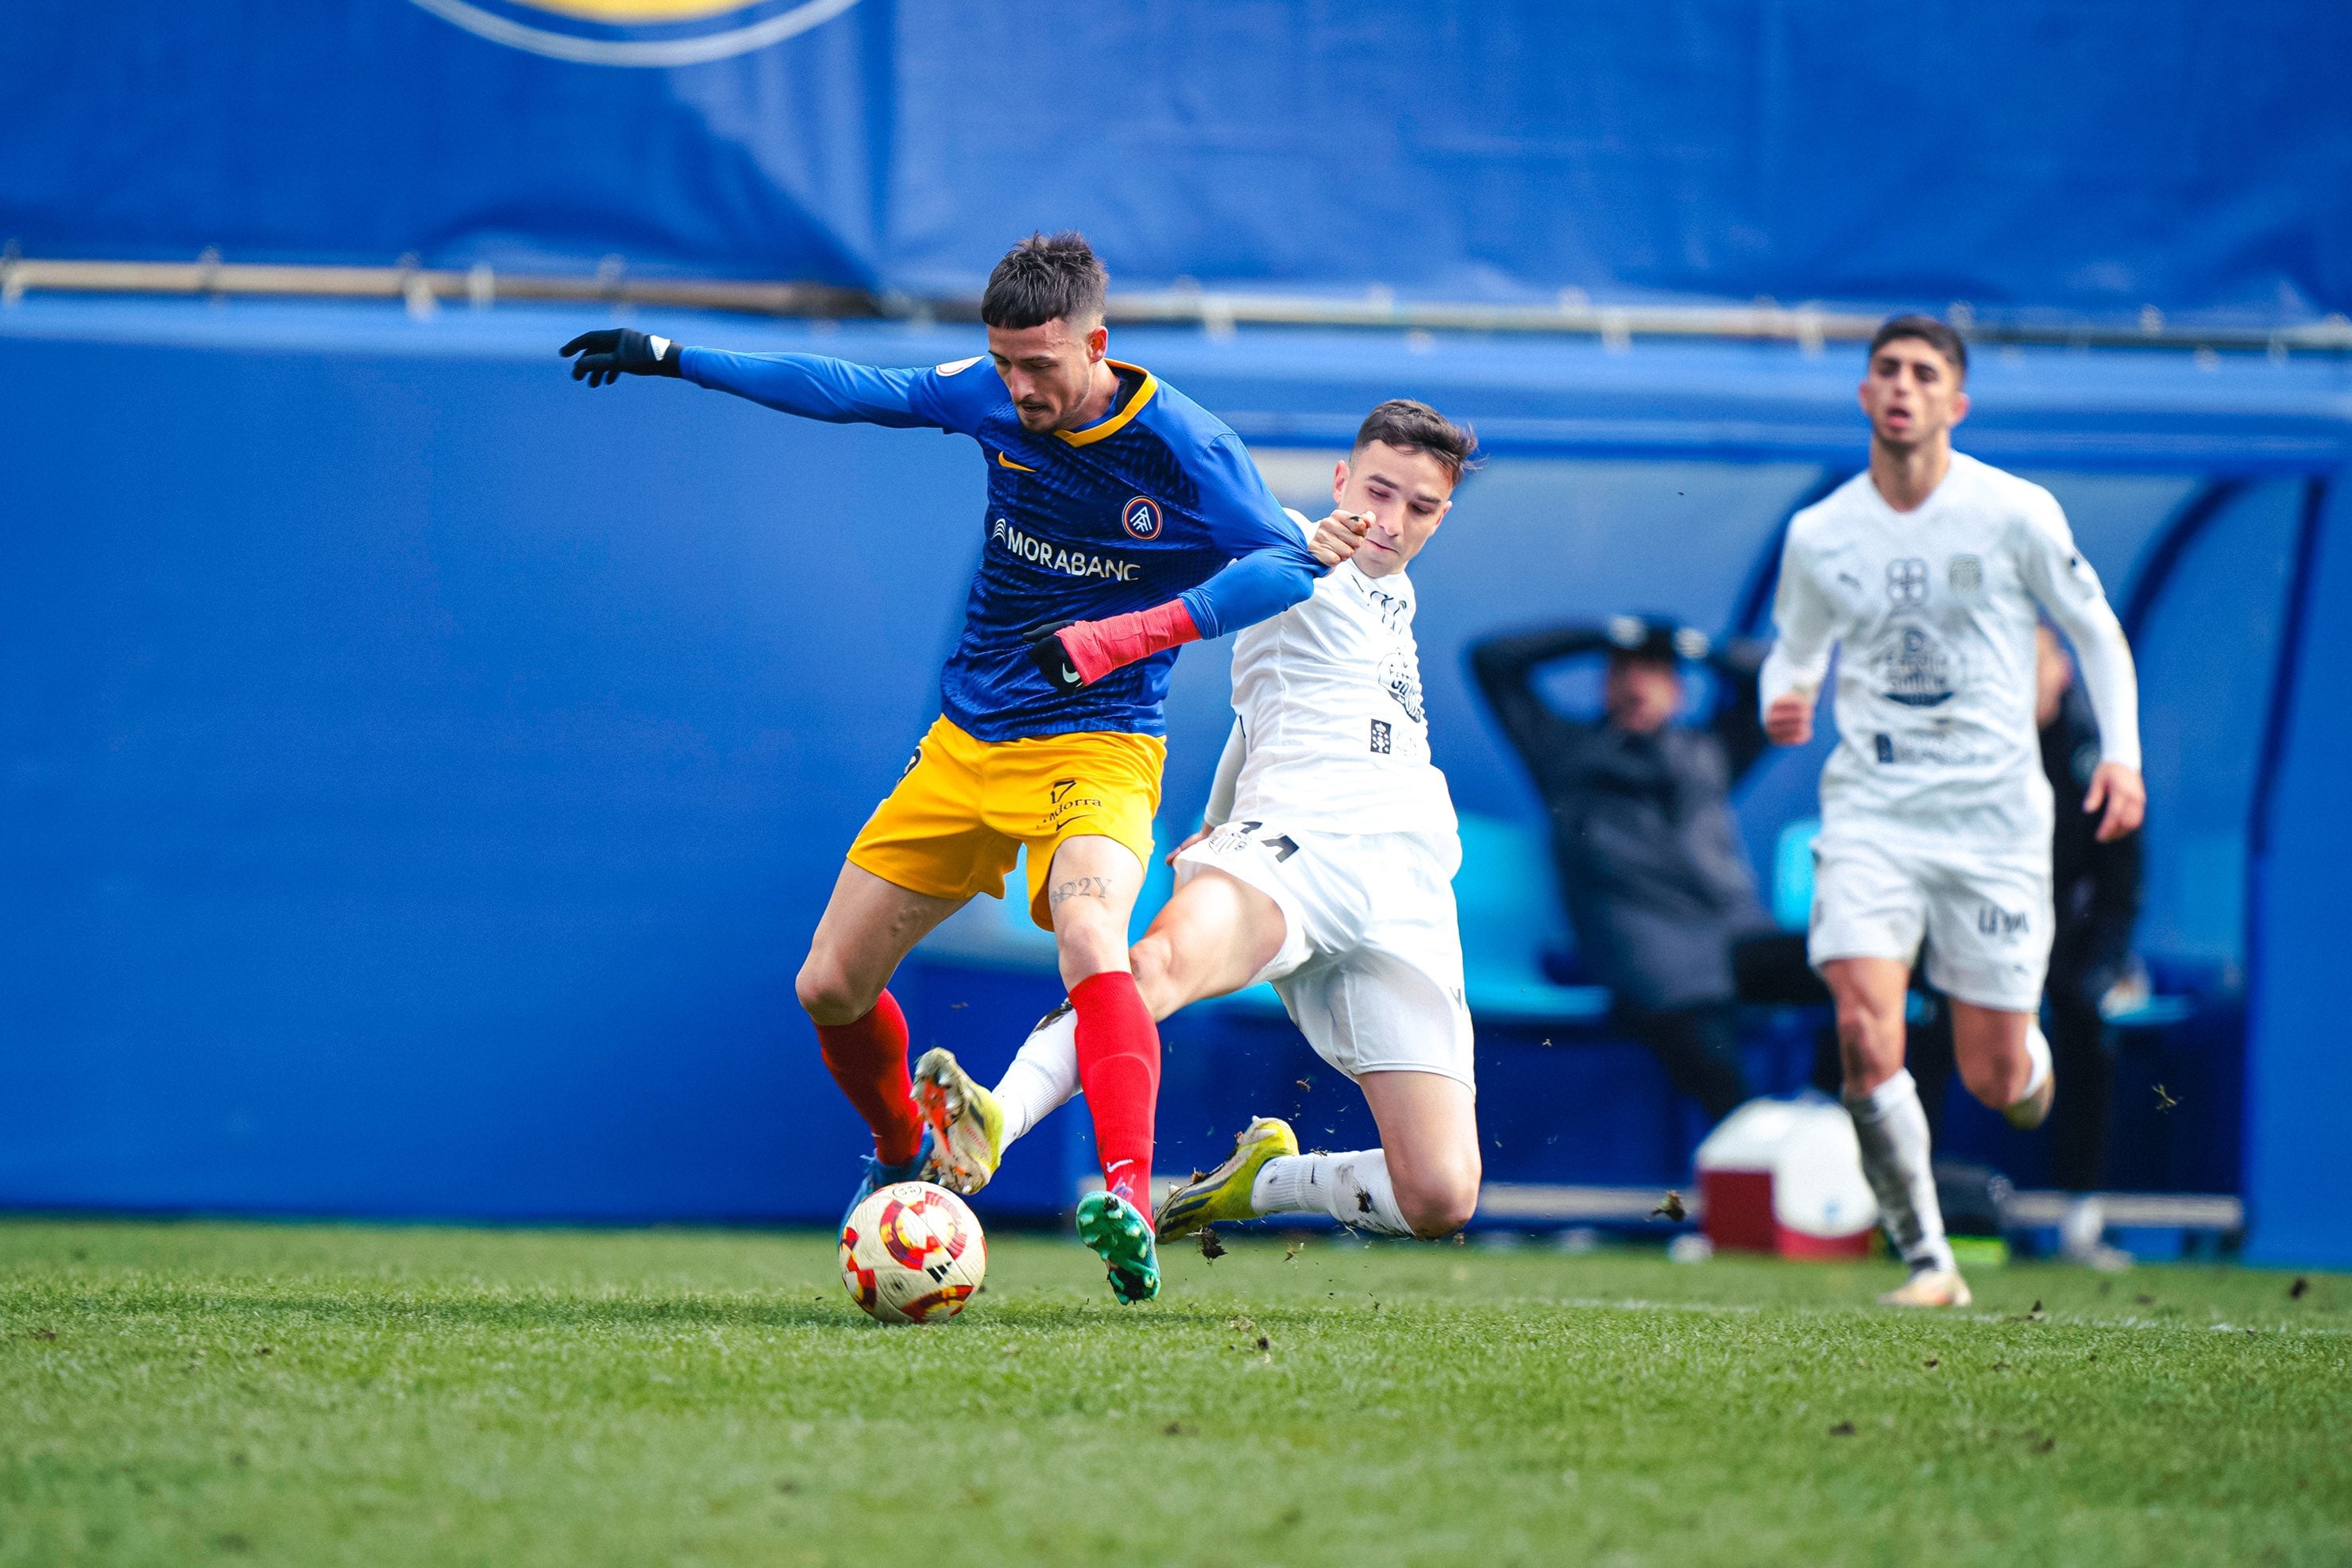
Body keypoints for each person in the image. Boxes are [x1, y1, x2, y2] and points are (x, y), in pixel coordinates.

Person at [560, 232, 1328, 1303]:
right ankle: (902, 1146)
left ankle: (1126, 1195)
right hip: (968, 745)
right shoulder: (988, 395)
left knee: (1092, 935)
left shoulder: (1185, 446)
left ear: (1096, 342)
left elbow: (1290, 566)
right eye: (1003, 364)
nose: (1017, 389)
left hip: (1099, 743)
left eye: (1040, 367)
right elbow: (846, 388)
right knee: (829, 985)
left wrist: (1120, 638)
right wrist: (670, 352)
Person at [913, 400, 1485, 1246]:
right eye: (1378, 491)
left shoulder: (1393, 592)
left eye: (1420, 506)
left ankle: (1269, 1180)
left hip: (1410, 888)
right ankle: (998, 1115)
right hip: (1299, 852)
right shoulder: (1288, 542)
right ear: (1341, 481)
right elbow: (1194, 524)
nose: (1391, 521)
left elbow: (1258, 719)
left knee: (1440, 1195)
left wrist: (1212, 817)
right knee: (1155, 965)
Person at [1761, 314, 2146, 1308]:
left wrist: (2126, 760)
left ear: (1954, 404)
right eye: (1885, 370)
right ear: (1864, 396)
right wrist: (1783, 695)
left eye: (1923, 374)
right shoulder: (1820, 533)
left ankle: (2029, 1059)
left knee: (1995, 1078)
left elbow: (2095, 632)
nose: (1902, 386)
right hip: (1874, 811)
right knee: (1863, 1026)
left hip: (1994, 823)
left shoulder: (2013, 512)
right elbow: (1794, 653)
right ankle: (1928, 1259)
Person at [1469, 616, 1774, 1123]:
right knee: (1718, 1068)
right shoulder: (1561, 750)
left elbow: (1779, 674)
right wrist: (1600, 634)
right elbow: (1492, 660)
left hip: (1737, 935)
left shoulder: (1711, 752)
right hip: (1647, 955)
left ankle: (1850, 1135)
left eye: (1653, 672)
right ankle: (1761, 1164)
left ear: (1677, 690)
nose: (1636, 684)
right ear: (1603, 684)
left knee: (1864, 982)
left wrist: (1694, 646)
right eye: (1622, 671)